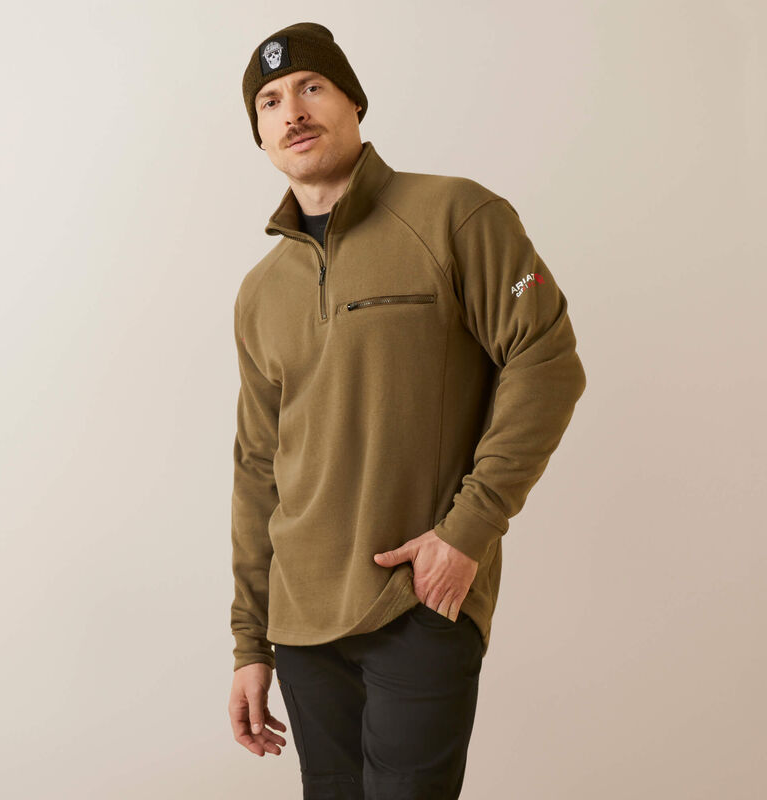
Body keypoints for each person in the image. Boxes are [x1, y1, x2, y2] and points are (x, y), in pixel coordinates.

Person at [228, 21, 587, 799]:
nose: (294, 111)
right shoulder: (260, 292)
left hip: (417, 601)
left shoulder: (455, 214)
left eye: (312, 87)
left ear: (354, 101)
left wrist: (468, 531)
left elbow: (546, 359)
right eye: (271, 101)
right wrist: (249, 644)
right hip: (300, 625)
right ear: (259, 134)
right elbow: (258, 468)